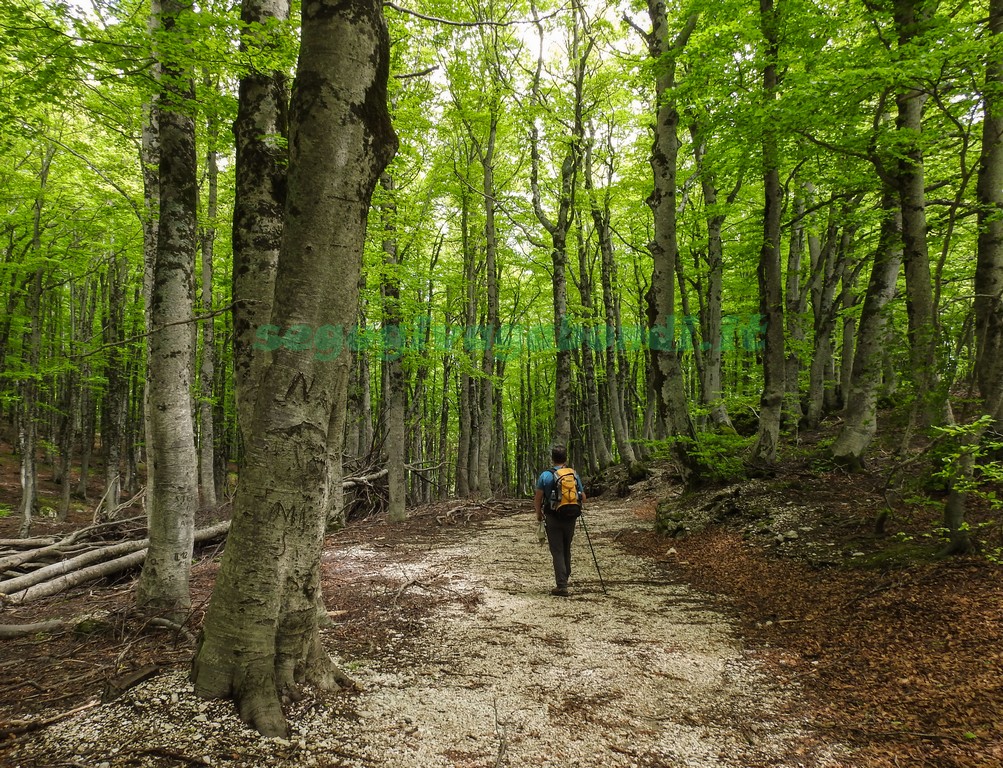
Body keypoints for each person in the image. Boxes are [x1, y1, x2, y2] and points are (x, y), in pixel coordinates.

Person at [534, 445, 586, 597]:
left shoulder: (545, 475)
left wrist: (538, 513)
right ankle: (565, 578)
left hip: (552, 516)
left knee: (557, 550)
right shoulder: (573, 474)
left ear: (552, 458)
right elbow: (583, 497)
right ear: (566, 458)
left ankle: (562, 585)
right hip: (571, 517)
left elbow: (538, 498)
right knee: (566, 548)